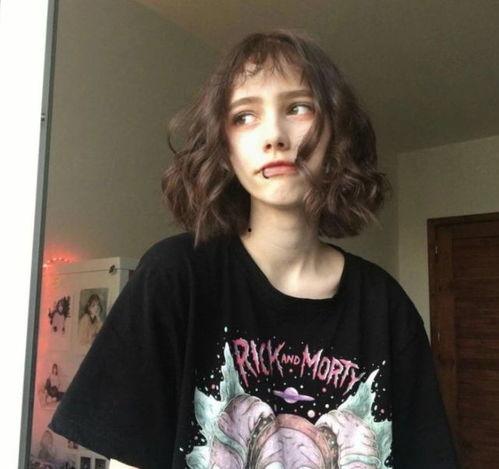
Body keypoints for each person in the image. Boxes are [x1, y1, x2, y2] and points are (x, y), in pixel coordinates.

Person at [48, 29, 459, 468]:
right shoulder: (173, 277)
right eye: (244, 116)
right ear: (224, 146)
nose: (274, 136)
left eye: (298, 108)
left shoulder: (386, 307)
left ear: (335, 132)